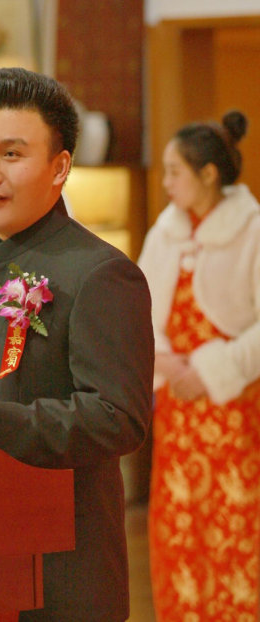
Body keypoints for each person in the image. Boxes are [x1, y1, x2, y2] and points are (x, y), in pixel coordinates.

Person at [0, 67, 154, 622]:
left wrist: (2, 425)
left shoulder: (99, 273)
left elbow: (119, 418)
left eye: (11, 154)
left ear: (59, 167)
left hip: (59, 572)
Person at [138, 110, 260, 621]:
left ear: (208, 174)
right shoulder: (164, 232)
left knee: (237, 522)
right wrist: (167, 364)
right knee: (180, 523)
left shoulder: (253, 229)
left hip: (237, 407)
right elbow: (138, 311)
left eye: (174, 171)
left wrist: (210, 372)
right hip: (178, 408)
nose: (165, 183)